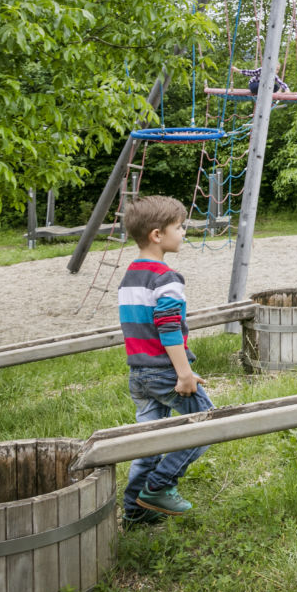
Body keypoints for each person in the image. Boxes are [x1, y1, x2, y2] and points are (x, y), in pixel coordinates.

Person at [117, 195, 212, 525]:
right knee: (206, 423)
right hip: (165, 372)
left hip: (138, 373)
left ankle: (135, 512)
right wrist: (184, 373)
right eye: (179, 226)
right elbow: (168, 327)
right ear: (157, 235)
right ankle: (159, 486)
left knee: (151, 442)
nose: (184, 232)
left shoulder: (130, 275)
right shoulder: (166, 277)